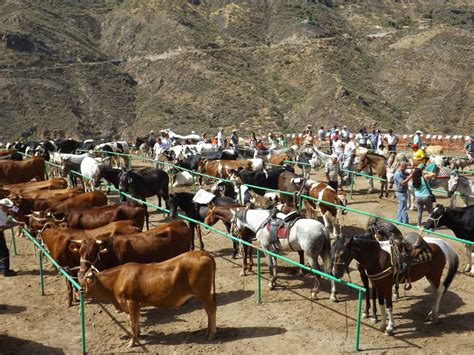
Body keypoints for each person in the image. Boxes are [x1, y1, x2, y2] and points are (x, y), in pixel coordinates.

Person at [0, 199, 19, 277]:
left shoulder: (3, 212)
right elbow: (1, 227)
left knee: (2, 251)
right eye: (7, 207)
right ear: (2, 206)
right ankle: (5, 271)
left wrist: (18, 223)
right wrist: (15, 225)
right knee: (4, 252)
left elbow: (7, 222)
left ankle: (2, 268)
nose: (8, 209)